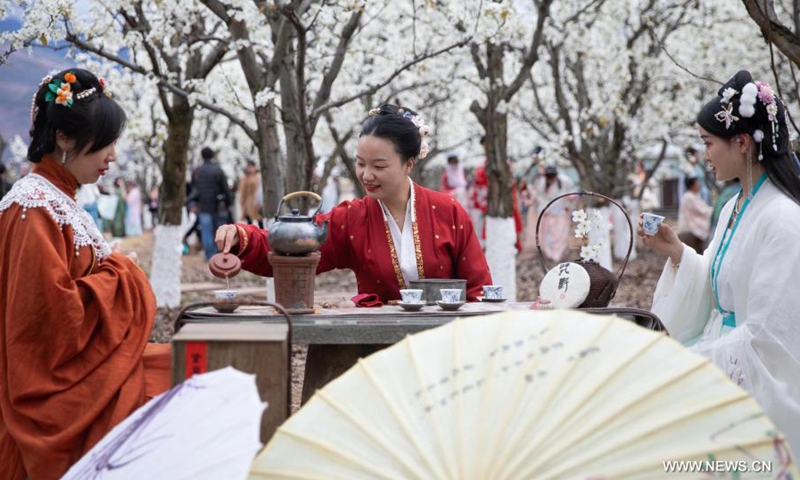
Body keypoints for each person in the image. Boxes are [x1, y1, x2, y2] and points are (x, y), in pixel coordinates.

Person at [0, 69, 170, 479]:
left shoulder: (55, 199)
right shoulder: (34, 208)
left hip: (80, 374)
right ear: (63, 138)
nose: (113, 155)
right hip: (56, 393)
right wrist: (123, 274)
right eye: (105, 142)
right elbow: (49, 325)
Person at [639, 70, 800, 459]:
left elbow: (767, 337)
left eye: (708, 143)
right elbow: (716, 282)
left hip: (750, 379)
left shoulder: (783, 219)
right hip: (719, 351)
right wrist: (679, 252)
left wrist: (691, 363)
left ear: (741, 142)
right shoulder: (733, 207)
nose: (704, 156)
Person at [215, 104, 492, 302]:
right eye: (360, 164)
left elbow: (479, 288)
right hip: (375, 350)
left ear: (408, 163)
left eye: (379, 166)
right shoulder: (352, 218)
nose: (366, 175)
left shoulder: (448, 211)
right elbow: (294, 250)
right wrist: (242, 238)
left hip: (443, 350)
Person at [188, 147, 232, 260]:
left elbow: (193, 190)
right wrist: (229, 203)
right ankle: (221, 254)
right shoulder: (218, 169)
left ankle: (210, 256)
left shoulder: (197, 171)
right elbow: (225, 189)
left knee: (206, 232)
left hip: (203, 206)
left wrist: (192, 204)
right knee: (220, 231)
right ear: (212, 155)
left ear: (202, 156)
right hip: (218, 206)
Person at [532, 165, 574, 262]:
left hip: (561, 213)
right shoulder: (542, 183)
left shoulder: (564, 181)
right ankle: (549, 253)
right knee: (547, 233)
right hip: (548, 213)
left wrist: (569, 202)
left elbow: (570, 193)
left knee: (559, 233)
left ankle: (557, 253)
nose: (551, 179)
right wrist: (545, 209)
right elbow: (539, 196)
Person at [676, 176, 712, 253]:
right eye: (697, 184)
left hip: (690, 232)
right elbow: (702, 211)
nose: (699, 185)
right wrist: (715, 210)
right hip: (689, 232)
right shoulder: (689, 197)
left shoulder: (693, 196)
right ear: (692, 186)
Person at [238, 160, 262, 227]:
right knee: (249, 221)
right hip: (248, 202)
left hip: (257, 201)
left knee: (259, 219)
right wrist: (242, 202)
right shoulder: (244, 178)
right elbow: (242, 191)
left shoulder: (258, 177)